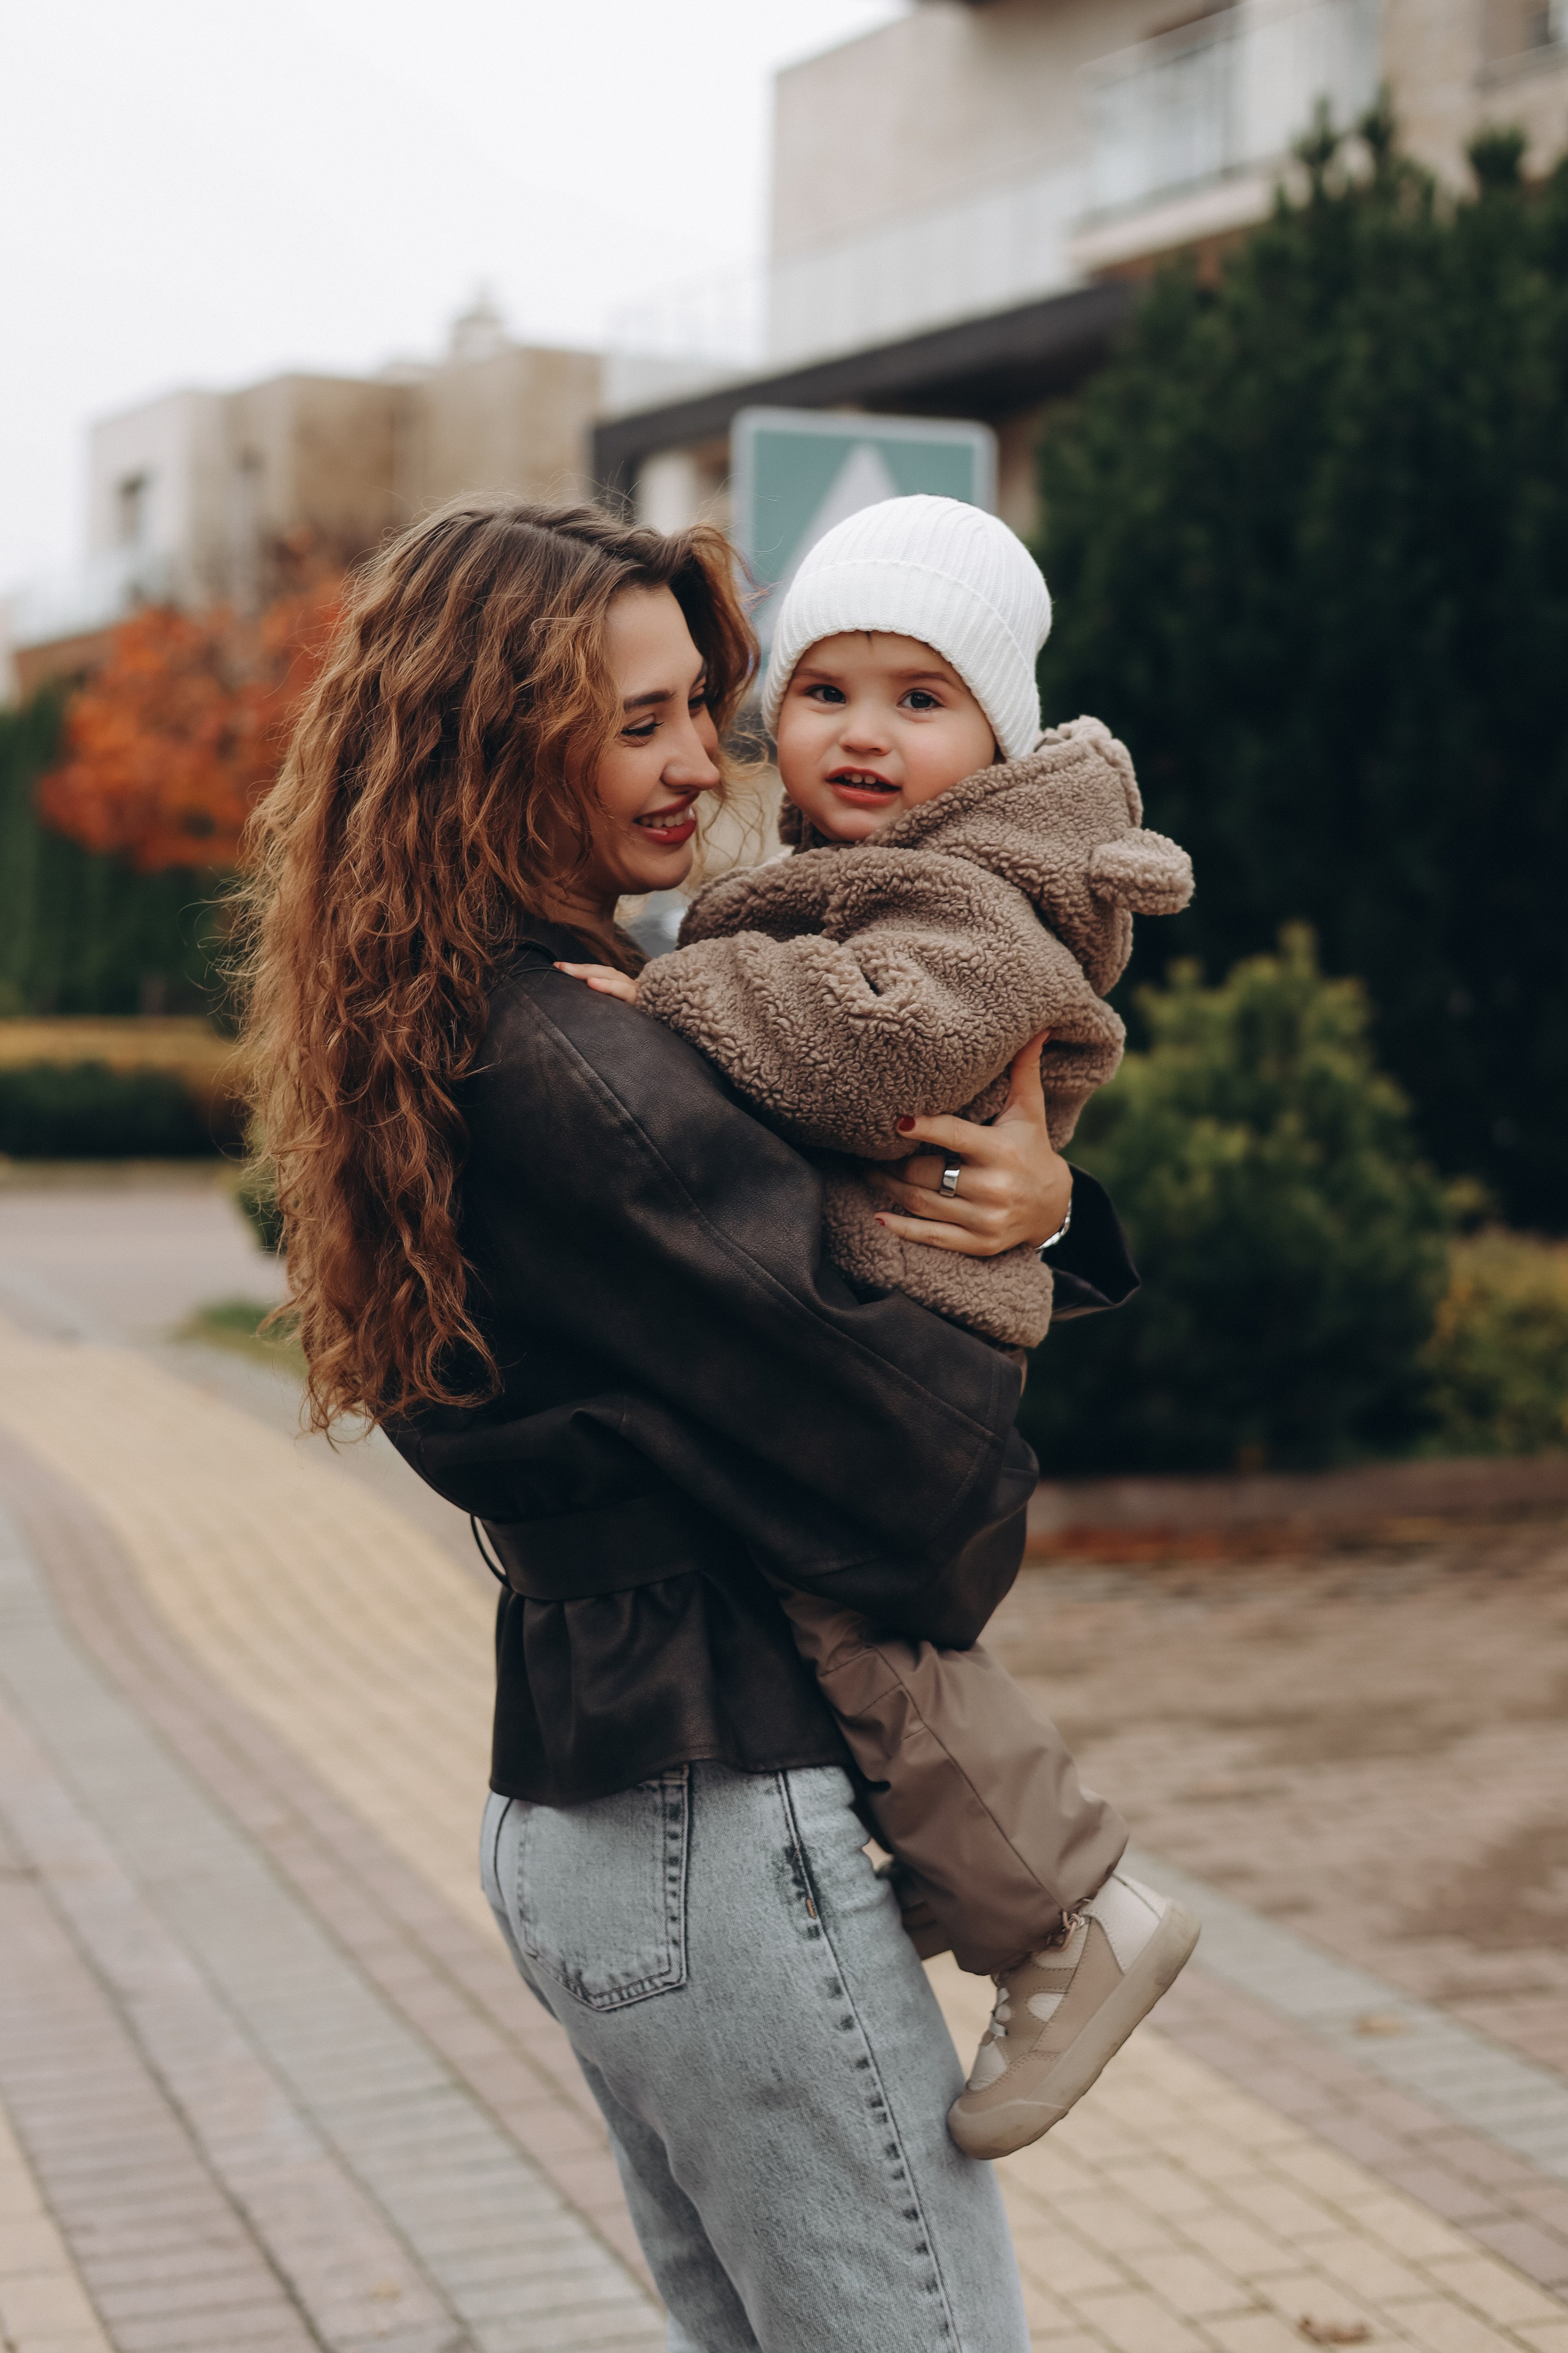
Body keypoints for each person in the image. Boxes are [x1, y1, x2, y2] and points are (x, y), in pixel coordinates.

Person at [240, 494, 1140, 2352]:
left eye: (692, 711)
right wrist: (1005, 1327)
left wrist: (1051, 1211)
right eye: (630, 719)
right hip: (717, 1817)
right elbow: (935, 1493)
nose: (690, 765)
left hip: (602, 1787)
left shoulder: (466, 1017)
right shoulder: (589, 1061)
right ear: (501, 736)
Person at [559, 496, 1199, 2162]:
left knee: (856, 1627)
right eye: (830, 690)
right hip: (893, 1284)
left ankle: (1064, 1902)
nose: (861, 731)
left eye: (921, 699)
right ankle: (953, 1862)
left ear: (994, 732)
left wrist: (670, 994)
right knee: (847, 1627)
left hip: (904, 1309)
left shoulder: (977, 896)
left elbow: (859, 1060)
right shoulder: (873, 877)